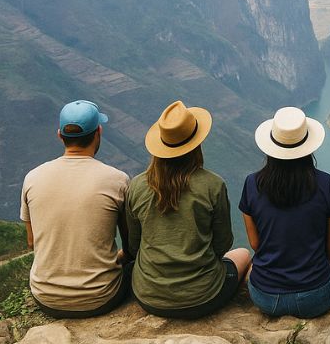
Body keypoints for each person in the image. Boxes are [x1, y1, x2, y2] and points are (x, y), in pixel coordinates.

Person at [126, 101, 251, 319]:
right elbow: (223, 243)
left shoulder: (137, 186)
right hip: (204, 296)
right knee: (242, 253)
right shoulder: (213, 184)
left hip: (150, 296)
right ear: (196, 144)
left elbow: (133, 246)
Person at [20, 99, 130, 318]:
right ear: (99, 132)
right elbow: (131, 244)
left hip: (46, 298)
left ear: (60, 135)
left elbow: (32, 242)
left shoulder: (32, 178)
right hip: (102, 297)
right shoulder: (117, 180)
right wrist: (117, 257)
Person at [239, 107, 330, 318]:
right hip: (316, 297)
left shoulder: (252, 184)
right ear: (308, 147)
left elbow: (256, 244)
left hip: (266, 297)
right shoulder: (325, 183)